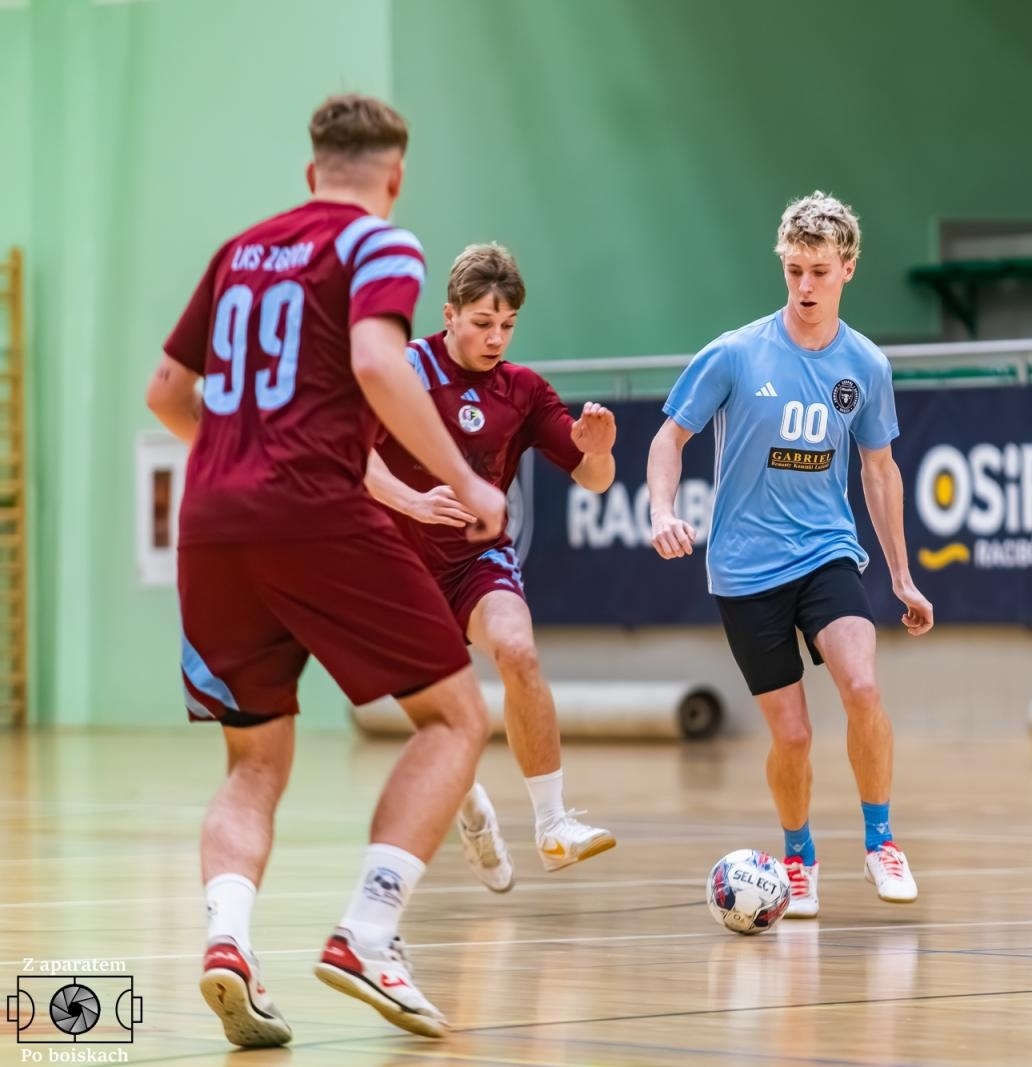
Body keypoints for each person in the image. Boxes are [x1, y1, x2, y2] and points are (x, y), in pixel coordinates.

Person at [146, 93, 504, 1046]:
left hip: (210, 520)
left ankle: (228, 943)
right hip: (312, 510)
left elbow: (167, 392)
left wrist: (239, 458)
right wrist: (465, 478)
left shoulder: (238, 250)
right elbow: (380, 364)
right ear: (395, 177)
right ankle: (369, 933)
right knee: (456, 717)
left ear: (312, 172)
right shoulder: (379, 243)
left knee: (253, 759)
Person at [646, 191, 934, 919]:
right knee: (794, 736)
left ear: (848, 269)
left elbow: (879, 469)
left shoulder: (865, 365)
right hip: (745, 570)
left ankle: (881, 841)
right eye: (794, 270)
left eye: (819, 271)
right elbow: (668, 437)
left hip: (827, 552)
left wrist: (901, 575)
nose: (805, 286)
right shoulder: (736, 353)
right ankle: (798, 858)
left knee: (862, 686)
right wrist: (662, 510)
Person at [364, 242, 618, 892]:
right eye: (482, 322)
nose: (496, 337)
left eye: (507, 324)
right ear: (449, 314)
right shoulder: (402, 370)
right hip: (396, 571)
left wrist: (598, 451)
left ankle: (553, 825)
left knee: (518, 651)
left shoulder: (523, 390)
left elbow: (594, 479)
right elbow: (351, 456)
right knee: (451, 725)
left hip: (476, 560)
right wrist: (413, 501)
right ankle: (473, 814)